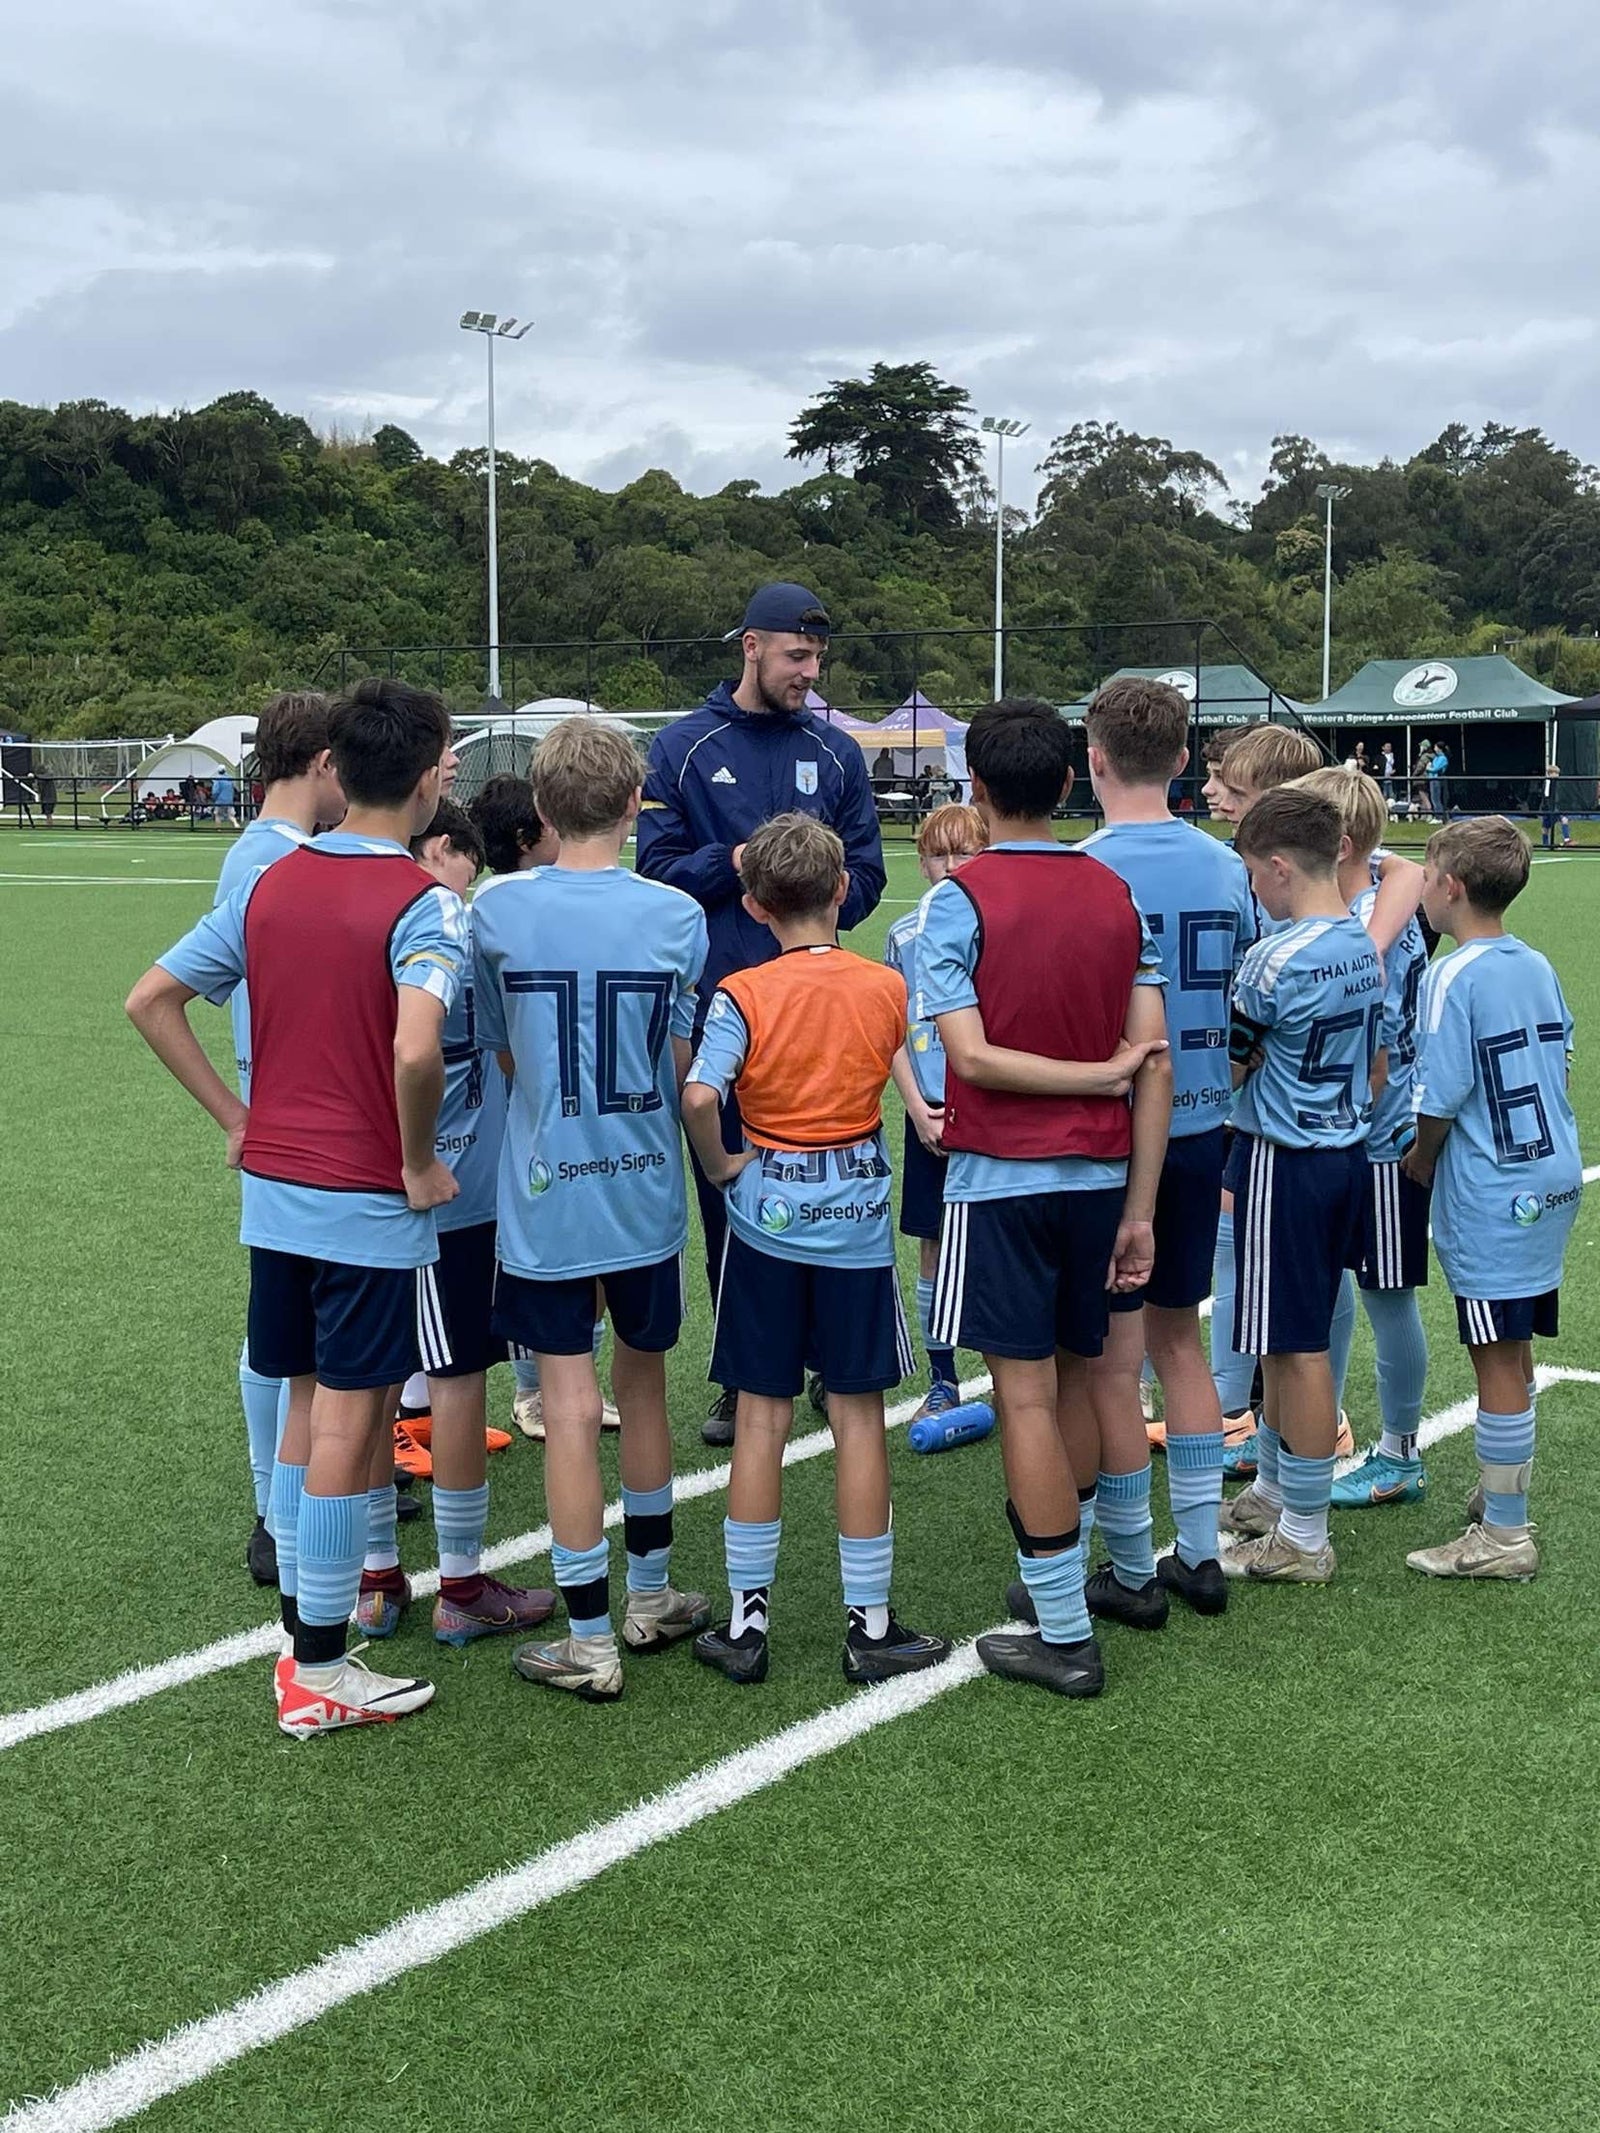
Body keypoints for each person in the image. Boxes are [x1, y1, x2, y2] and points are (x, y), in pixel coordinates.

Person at [127, 677, 466, 1738]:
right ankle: (317, 1668)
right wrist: (417, 1162)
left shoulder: (268, 880)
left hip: (275, 1192)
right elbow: (417, 1045)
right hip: (363, 1198)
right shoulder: (425, 903)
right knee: (349, 1416)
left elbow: (151, 1000)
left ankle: (301, 1641)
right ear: (418, 778)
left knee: (301, 1400)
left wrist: (238, 1116)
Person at [916, 699, 1171, 1697]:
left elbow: (969, 1056)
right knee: (1080, 1379)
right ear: (1067, 782)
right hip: (1102, 1181)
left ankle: (1062, 1630)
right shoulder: (1113, 892)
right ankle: (1089, 1580)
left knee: (1025, 1393)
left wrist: (1092, 1077)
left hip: (1000, 1184)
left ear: (973, 791)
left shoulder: (954, 901)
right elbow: (1154, 1061)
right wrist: (1138, 1203)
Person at [683, 813, 950, 1689]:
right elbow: (903, 1065)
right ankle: (869, 1624)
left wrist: (725, 1162)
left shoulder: (741, 993)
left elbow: (697, 1094)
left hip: (764, 1225)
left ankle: (745, 1621)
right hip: (857, 1226)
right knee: (858, 1414)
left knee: (760, 1415)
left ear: (755, 905)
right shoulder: (883, 986)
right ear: (843, 891)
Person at [476, 719, 711, 1701]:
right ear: (633, 806)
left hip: (543, 1192)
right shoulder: (676, 916)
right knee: (644, 1385)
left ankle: (588, 1637)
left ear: (540, 808)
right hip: (643, 1184)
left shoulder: (494, 911)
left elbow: (503, 1052)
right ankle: (647, 1597)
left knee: (568, 1406)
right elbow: (683, 1056)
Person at [636, 582, 886, 1446]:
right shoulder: (683, 748)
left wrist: (816, 908)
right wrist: (738, 863)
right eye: (795, 657)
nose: (809, 674)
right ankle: (747, 1373)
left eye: (818, 658)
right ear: (750, 645)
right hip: (727, 1012)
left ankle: (832, 1362)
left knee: (837, 1175)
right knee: (732, 1188)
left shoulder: (838, 751)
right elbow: (657, 871)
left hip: (827, 1015)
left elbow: (870, 875)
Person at [1078, 677, 1256, 1619]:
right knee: (1180, 1341)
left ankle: (1134, 1561)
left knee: (1113, 1358)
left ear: (1093, 757)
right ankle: (1200, 1549)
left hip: (1115, 1135)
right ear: (1184, 760)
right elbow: (1252, 995)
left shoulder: (1087, 868)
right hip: (1201, 1124)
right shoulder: (1226, 866)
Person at [373, 798, 557, 1649]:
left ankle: (375, 1580)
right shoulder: (460, 927)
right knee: (453, 1380)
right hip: (455, 1195)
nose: (467, 885)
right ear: (438, 847)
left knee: (364, 1377)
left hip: (364, 1193)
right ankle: (460, 1582)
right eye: (464, 864)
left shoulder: (363, 915)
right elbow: (515, 1059)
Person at [1402, 818, 1581, 1580]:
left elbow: (1440, 1094)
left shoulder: (1453, 973)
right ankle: (1500, 1492)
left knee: (1493, 1353)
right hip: (1552, 1174)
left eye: (1429, 870)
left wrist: (1418, 1158)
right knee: (1516, 1340)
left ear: (1452, 886)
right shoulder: (1533, 962)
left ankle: (1505, 1533)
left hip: (1492, 1189)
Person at [1215, 788, 1384, 1583]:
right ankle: (1280, 1493)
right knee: (1286, 1337)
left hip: (1286, 1154)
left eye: (1254, 874)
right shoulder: (1360, 941)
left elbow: (1237, 1062)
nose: (1253, 889)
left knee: (1300, 1345)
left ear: (1280, 867)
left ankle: (1306, 1534)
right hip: (1342, 1150)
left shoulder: (1272, 957)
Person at [210, 691, 347, 1586]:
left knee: (295, 1322)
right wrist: (241, 1111)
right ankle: (275, 1510)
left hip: (284, 1117)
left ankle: (304, 1489)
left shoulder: (260, 854)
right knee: (284, 1330)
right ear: (326, 763)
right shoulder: (278, 861)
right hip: (298, 1123)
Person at [1291, 770, 1433, 1511]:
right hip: (1346, 1135)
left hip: (1380, 1139)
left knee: (1387, 1297)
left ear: (1338, 843)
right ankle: (1328, 1424)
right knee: (1336, 1288)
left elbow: (1371, 1049)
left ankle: (1402, 1452)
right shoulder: (1365, 899)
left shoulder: (1375, 920)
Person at [464, 771, 618, 1443]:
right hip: (528, 1110)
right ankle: (536, 1388)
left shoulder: (497, 900)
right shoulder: (507, 902)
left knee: (553, 1247)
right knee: (546, 1247)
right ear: (529, 836)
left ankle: (553, 1382)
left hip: (533, 1103)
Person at [884, 803, 990, 1424]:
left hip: (991, 1110)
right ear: (921, 863)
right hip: (930, 1110)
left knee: (1000, 1238)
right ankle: (943, 1376)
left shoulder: (997, 922)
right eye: (939, 854)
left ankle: (1016, 1359)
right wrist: (917, 1109)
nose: (952, 866)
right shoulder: (903, 935)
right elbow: (893, 1031)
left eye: (965, 852)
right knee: (932, 1244)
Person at [1540, 760, 1571, 850]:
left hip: (1553, 807)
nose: (1557, 775)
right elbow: (1546, 796)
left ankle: (1566, 840)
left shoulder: (1556, 784)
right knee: (1545, 828)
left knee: (1563, 820)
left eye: (1557, 773)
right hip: (1548, 808)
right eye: (1555, 773)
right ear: (1550, 774)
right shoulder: (1547, 782)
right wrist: (1548, 807)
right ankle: (1546, 845)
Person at [1428, 743, 1449, 820]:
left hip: (1437, 780)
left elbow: (1435, 769)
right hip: (1432, 779)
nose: (1434, 749)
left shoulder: (1443, 758)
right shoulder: (1436, 758)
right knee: (1433, 798)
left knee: (1436, 799)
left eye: (1435, 747)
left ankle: (1439, 817)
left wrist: (1428, 768)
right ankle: (1437, 815)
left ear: (1439, 748)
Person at [1380, 740, 1396, 807]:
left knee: (1392, 794)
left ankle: (1393, 810)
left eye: (1390, 747)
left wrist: (1394, 771)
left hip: (1391, 778)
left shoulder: (1393, 756)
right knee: (1384, 794)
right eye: (1387, 746)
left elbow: (1396, 766)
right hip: (1383, 778)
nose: (1389, 748)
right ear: (1383, 747)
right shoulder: (1380, 757)